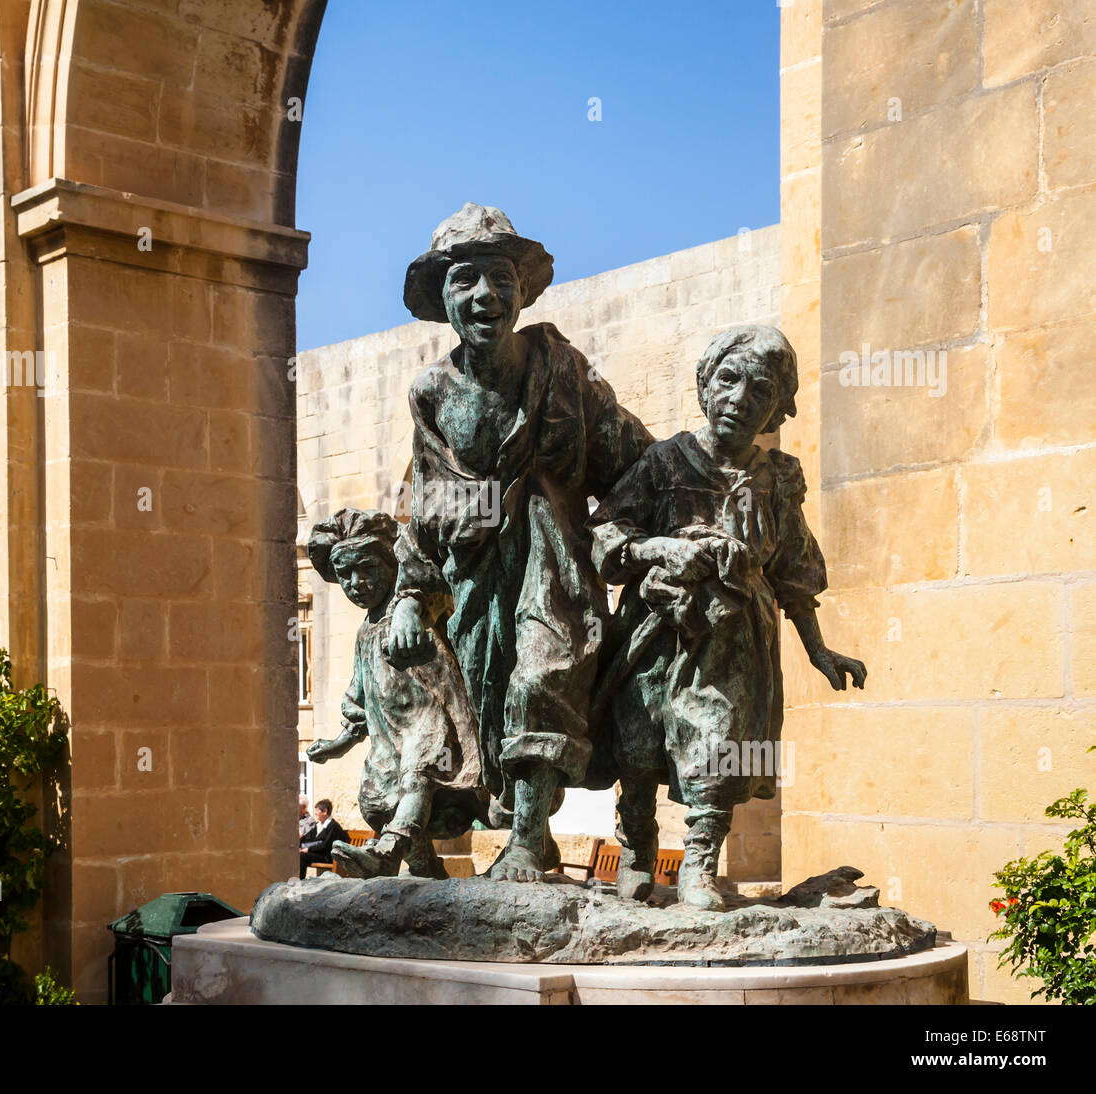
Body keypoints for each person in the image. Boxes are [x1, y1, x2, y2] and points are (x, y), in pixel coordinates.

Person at [387, 203, 653, 882]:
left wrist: (637, 537)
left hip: (556, 566)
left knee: (544, 676)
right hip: (479, 581)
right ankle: (503, 830)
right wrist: (414, 597)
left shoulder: (563, 368)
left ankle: (530, 843)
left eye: (499, 277)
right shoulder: (433, 394)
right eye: (465, 280)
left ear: (521, 289)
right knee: (489, 702)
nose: (484, 296)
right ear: (444, 297)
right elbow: (423, 501)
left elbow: (632, 460)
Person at [589, 325, 866, 909]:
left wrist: (820, 650)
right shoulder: (663, 462)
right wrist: (658, 550)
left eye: (761, 389)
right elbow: (607, 535)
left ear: (776, 408)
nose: (741, 397)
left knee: (716, 745)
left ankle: (699, 866)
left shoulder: (777, 480)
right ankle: (637, 855)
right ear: (705, 385)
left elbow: (793, 570)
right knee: (637, 746)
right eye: (729, 379)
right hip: (653, 632)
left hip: (735, 640)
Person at [305, 508, 485, 879]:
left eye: (367, 569)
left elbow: (442, 593)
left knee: (416, 777)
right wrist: (340, 741)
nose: (356, 583)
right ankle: (425, 868)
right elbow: (359, 698)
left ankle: (388, 851)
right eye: (345, 575)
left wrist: (413, 609)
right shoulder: (364, 632)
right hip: (389, 739)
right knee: (375, 800)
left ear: (392, 564)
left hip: (430, 722)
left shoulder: (412, 610)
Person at [299, 799, 348, 879]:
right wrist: (302, 847)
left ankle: (299, 882)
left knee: (301, 856)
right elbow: (310, 841)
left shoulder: (333, 826)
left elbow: (325, 846)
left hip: (327, 857)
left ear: (325, 811)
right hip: (318, 854)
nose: (315, 813)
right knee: (297, 854)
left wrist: (308, 849)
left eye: (317, 811)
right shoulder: (318, 825)